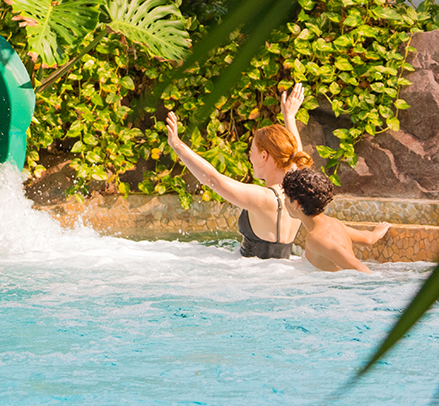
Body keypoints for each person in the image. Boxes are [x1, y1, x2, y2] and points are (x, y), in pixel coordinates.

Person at [164, 84, 312, 259]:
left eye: (252, 152)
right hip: (281, 272)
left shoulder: (265, 198)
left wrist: (177, 145)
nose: (250, 158)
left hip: (253, 277)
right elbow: (297, 157)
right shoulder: (298, 191)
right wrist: (289, 116)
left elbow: (213, 179)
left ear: (264, 156)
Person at [281, 168, 390, 272]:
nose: (284, 201)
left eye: (285, 197)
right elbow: (368, 239)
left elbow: (361, 269)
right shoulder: (333, 223)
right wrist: (378, 232)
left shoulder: (316, 238)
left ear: (296, 203)